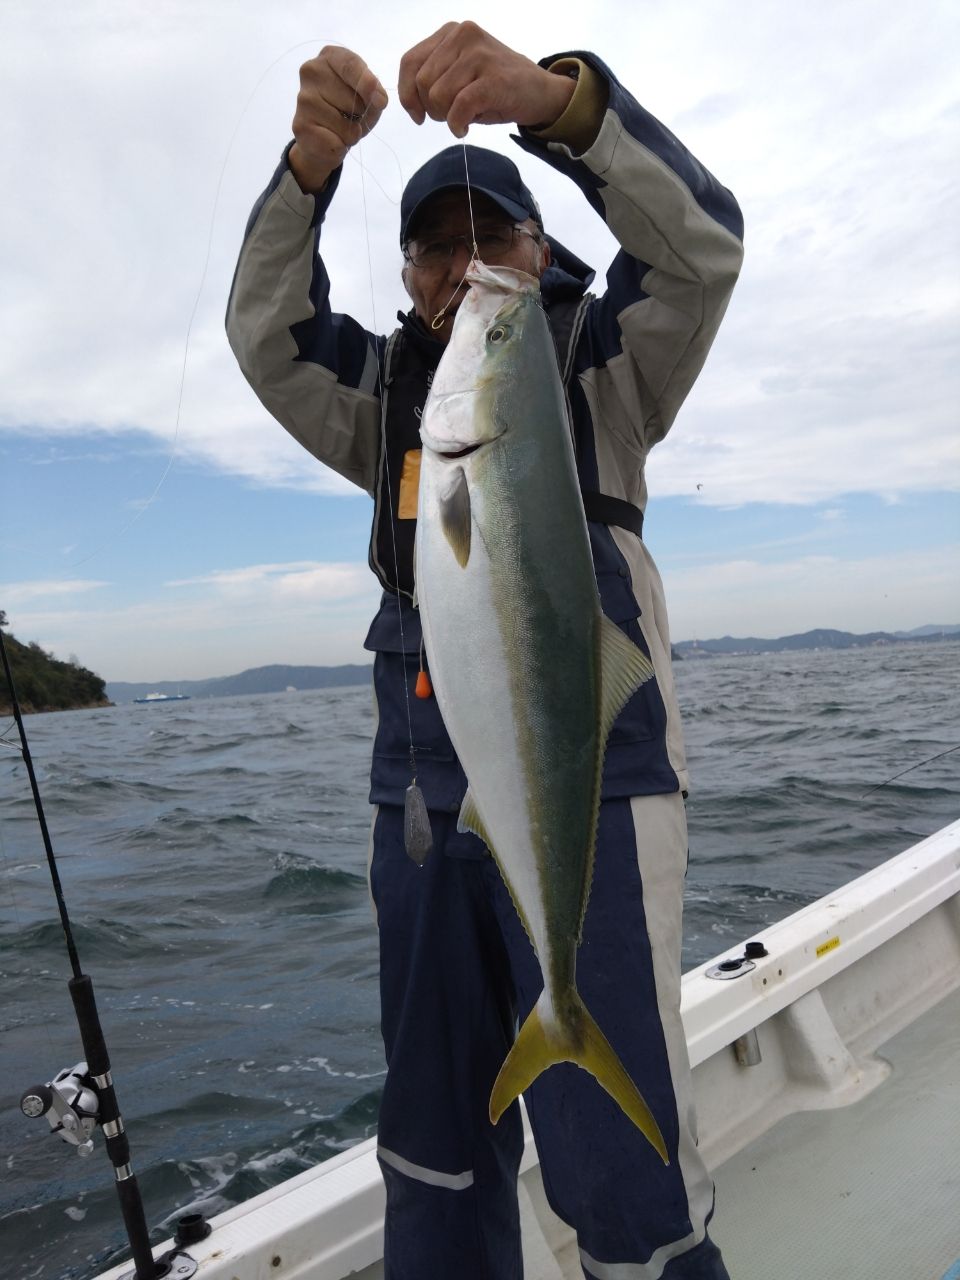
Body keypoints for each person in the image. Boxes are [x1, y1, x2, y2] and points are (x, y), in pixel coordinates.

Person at [226, 21, 743, 1279]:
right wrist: (307, 172)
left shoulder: (604, 365)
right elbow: (268, 334)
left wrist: (557, 107)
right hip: (419, 801)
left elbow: (702, 248)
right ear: (407, 276)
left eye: (490, 236)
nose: (464, 265)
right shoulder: (389, 399)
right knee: (435, 1141)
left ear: (542, 246)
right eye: (435, 245)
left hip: (595, 789)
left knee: (620, 1156)